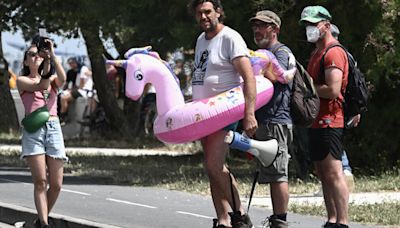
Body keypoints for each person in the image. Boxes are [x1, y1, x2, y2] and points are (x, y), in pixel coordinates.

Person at [188, 1, 257, 227]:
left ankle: (240, 214)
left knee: (214, 163)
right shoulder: (201, 40)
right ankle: (223, 219)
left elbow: (248, 78)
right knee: (211, 168)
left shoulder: (230, 38)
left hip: (224, 112)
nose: (203, 16)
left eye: (208, 11)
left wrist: (249, 113)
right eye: (199, 13)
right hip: (203, 114)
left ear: (218, 12)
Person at [300, 6, 355, 228]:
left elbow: (333, 90)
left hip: (331, 120)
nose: (310, 28)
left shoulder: (334, 52)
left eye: (314, 23)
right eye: (307, 24)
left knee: (334, 172)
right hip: (315, 120)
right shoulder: (316, 53)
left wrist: (307, 86)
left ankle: (342, 221)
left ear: (327, 24)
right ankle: (331, 219)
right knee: (322, 173)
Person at [249, 10, 295, 228]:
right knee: (270, 172)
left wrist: (261, 67)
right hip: (263, 120)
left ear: (275, 29)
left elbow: (281, 78)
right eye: (255, 26)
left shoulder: (281, 52)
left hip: (276, 120)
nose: (257, 30)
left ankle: (280, 222)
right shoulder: (261, 53)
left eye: (263, 26)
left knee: (278, 174)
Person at [16, 39, 67, 228]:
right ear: (25, 62)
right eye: (31, 55)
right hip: (34, 131)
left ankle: (39, 221)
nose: (35, 57)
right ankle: (44, 224)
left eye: (38, 54)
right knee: (40, 181)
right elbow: (41, 86)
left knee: (56, 184)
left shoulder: (52, 79)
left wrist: (52, 57)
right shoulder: (23, 81)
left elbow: (62, 79)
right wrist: (46, 65)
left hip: (53, 128)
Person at [59, 56, 93, 125]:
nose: (70, 65)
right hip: (79, 90)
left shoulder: (83, 69)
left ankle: (62, 117)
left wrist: (71, 91)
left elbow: (81, 85)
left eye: (72, 63)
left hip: (83, 91)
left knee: (63, 98)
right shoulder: (79, 70)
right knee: (62, 95)